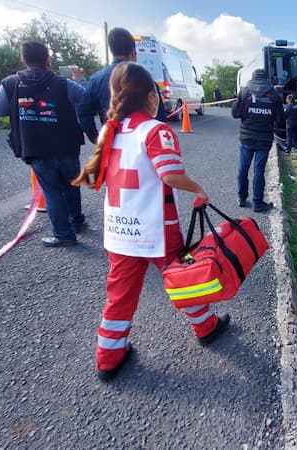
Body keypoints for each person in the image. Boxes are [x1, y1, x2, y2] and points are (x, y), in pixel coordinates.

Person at [72, 62, 230, 382]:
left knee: (119, 296)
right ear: (149, 96)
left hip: (118, 230)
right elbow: (169, 174)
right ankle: (206, 327)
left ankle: (108, 356)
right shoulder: (155, 130)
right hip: (155, 229)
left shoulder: (109, 131)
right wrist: (199, 189)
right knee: (182, 280)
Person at [0, 41, 86, 247]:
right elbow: (86, 100)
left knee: (51, 191)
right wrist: (80, 80)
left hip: (35, 147)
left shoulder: (10, 83)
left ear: (24, 60)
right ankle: (76, 222)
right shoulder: (64, 84)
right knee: (71, 185)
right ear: (47, 60)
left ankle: (63, 234)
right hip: (67, 145)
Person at [231, 68, 283, 213]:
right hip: (264, 140)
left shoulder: (245, 91)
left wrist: (237, 101)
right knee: (259, 171)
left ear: (253, 78)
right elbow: (280, 121)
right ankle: (258, 203)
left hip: (246, 138)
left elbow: (236, 114)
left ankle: (242, 198)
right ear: (267, 79)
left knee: (243, 168)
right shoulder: (274, 94)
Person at [77, 27, 137, 143]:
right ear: (133, 52)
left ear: (111, 50)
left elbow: (83, 110)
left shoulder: (96, 79)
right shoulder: (144, 79)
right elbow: (158, 117)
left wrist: (96, 138)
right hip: (140, 145)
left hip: (111, 143)